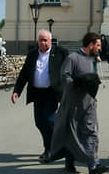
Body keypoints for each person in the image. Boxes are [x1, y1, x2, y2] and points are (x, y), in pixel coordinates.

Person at [46, 32, 108, 174]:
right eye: (98, 45)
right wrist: (76, 82)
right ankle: (70, 161)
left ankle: (93, 165)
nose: (100, 48)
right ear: (91, 45)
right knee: (72, 134)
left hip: (89, 104)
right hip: (73, 104)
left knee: (90, 132)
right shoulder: (72, 58)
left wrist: (94, 100)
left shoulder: (93, 59)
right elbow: (64, 75)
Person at [11, 30, 69, 163]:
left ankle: (52, 150)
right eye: (40, 40)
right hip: (37, 93)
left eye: (45, 40)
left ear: (50, 40)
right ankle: (54, 147)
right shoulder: (32, 54)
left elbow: (68, 71)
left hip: (51, 92)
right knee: (39, 123)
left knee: (49, 121)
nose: (42, 43)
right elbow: (24, 74)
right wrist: (17, 91)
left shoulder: (61, 52)